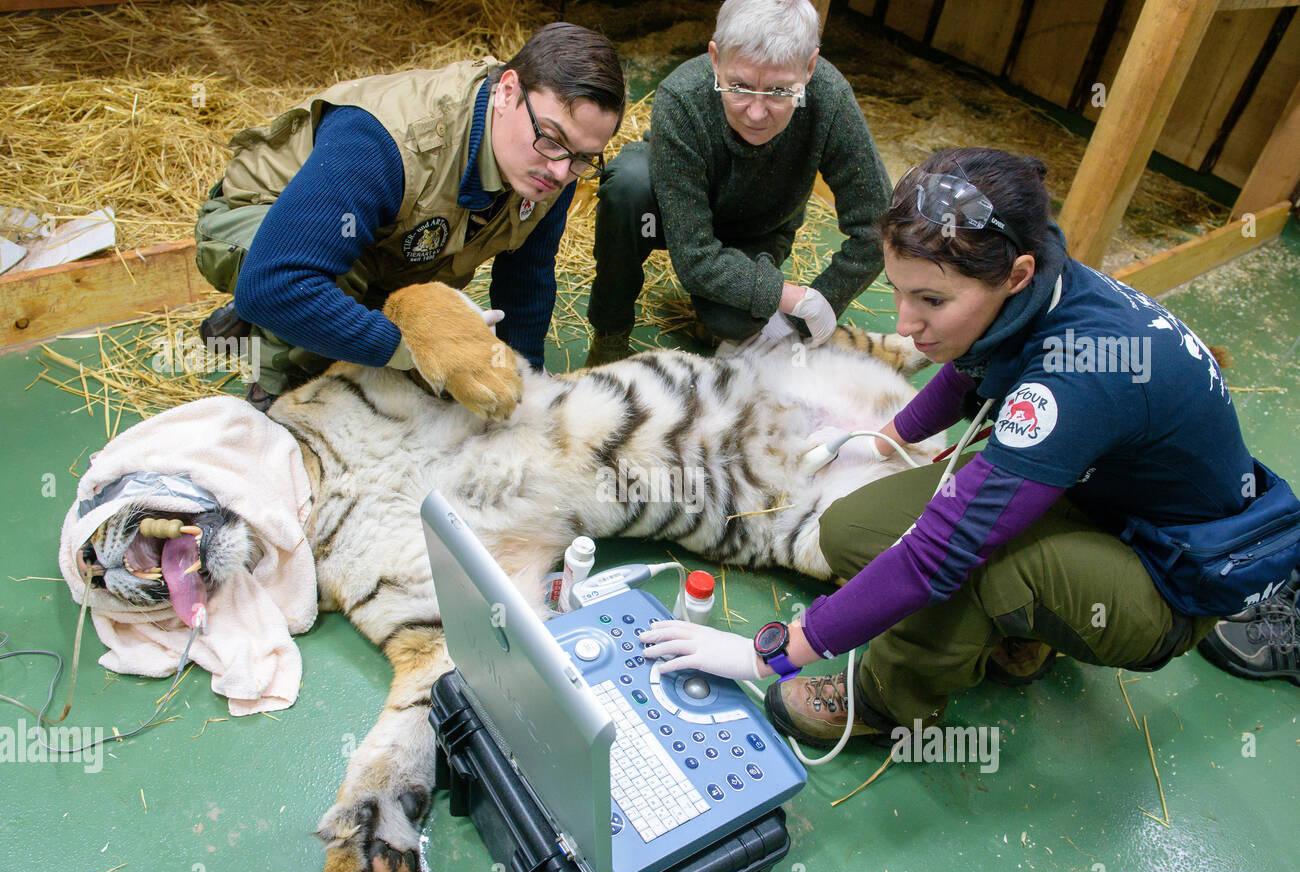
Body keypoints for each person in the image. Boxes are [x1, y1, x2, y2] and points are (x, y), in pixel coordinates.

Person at [639, 147, 1300, 746]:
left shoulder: (1077, 375)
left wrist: (768, 653)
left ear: (1015, 274)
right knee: (850, 529)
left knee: (968, 566)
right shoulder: (1039, 285)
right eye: (898, 291)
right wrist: (879, 439)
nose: (903, 323)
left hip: (1167, 579)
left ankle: (888, 703)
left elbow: (936, 557)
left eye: (930, 299)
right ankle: (1025, 631)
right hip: (1096, 497)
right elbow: (967, 366)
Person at [194, 22, 626, 407]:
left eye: (583, 157)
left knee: (422, 303)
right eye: (551, 139)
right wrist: (419, 349)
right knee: (319, 305)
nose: (560, 170)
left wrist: (525, 380)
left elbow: (527, 276)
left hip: (388, 242)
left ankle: (294, 312)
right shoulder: (384, 140)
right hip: (265, 215)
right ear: (507, 92)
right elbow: (273, 286)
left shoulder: (554, 165)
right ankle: (275, 380)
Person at [584, 0, 891, 366]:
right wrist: (790, 295)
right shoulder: (683, 96)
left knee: (735, 321)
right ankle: (610, 334)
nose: (757, 113)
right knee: (628, 187)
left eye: (779, 91)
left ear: (809, 67)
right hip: (670, 212)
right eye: (740, 86)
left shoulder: (829, 98)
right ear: (715, 58)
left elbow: (879, 224)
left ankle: (716, 312)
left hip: (756, 228)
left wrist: (820, 302)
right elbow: (694, 257)